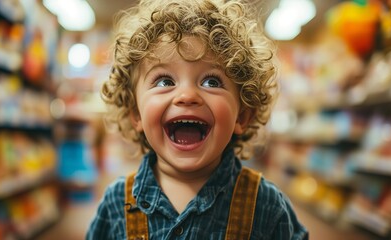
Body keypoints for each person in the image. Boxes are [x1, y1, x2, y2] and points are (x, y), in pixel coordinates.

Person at [87, 0, 308, 239]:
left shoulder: (266, 205)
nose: (187, 96)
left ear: (242, 116)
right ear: (136, 114)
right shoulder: (116, 203)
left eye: (211, 82)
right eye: (164, 81)